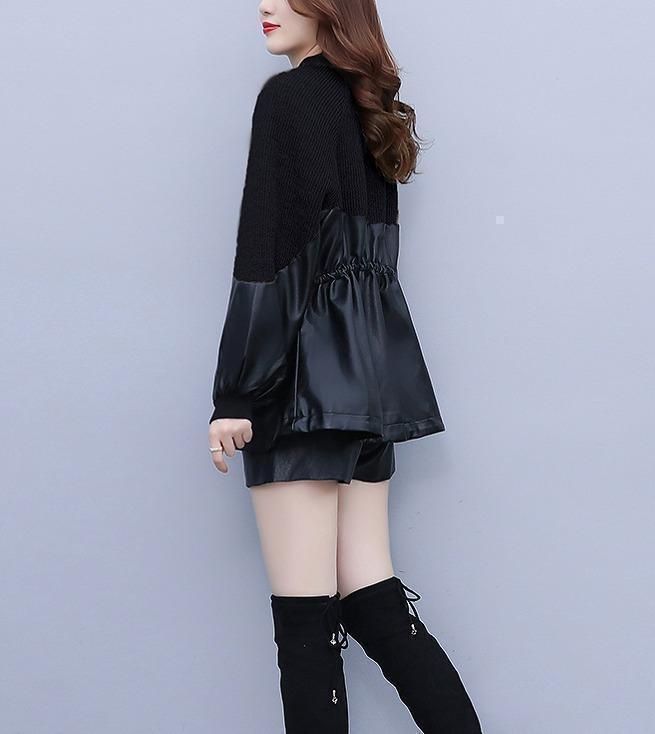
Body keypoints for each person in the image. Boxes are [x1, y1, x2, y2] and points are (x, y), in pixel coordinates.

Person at [207, 1, 484, 732]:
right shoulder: (363, 105)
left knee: (305, 625)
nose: (264, 5)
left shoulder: (291, 98)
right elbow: (367, 264)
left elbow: (274, 257)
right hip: (367, 381)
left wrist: (237, 393)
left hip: (300, 385)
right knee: (372, 598)